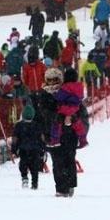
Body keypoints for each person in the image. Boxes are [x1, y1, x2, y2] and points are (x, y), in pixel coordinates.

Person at [37, 68, 85, 197]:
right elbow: (43, 112)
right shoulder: (44, 94)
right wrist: (58, 118)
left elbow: (80, 111)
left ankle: (69, 185)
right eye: (50, 80)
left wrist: (73, 119)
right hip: (52, 132)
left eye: (55, 80)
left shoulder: (66, 91)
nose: (52, 83)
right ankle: (60, 188)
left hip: (70, 132)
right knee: (57, 161)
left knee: (69, 158)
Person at [48, 68, 88, 148]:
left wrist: (54, 94)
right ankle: (83, 140)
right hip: (75, 109)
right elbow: (81, 97)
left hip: (64, 109)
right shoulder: (79, 86)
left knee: (56, 123)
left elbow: (58, 97)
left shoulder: (65, 87)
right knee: (78, 124)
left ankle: (55, 140)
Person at [11, 104, 45, 189]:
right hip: (35, 149)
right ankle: (35, 183)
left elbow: (15, 139)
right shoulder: (37, 125)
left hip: (23, 149)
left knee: (23, 164)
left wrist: (14, 150)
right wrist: (43, 148)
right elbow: (42, 138)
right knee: (34, 167)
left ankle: (24, 177)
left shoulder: (19, 126)